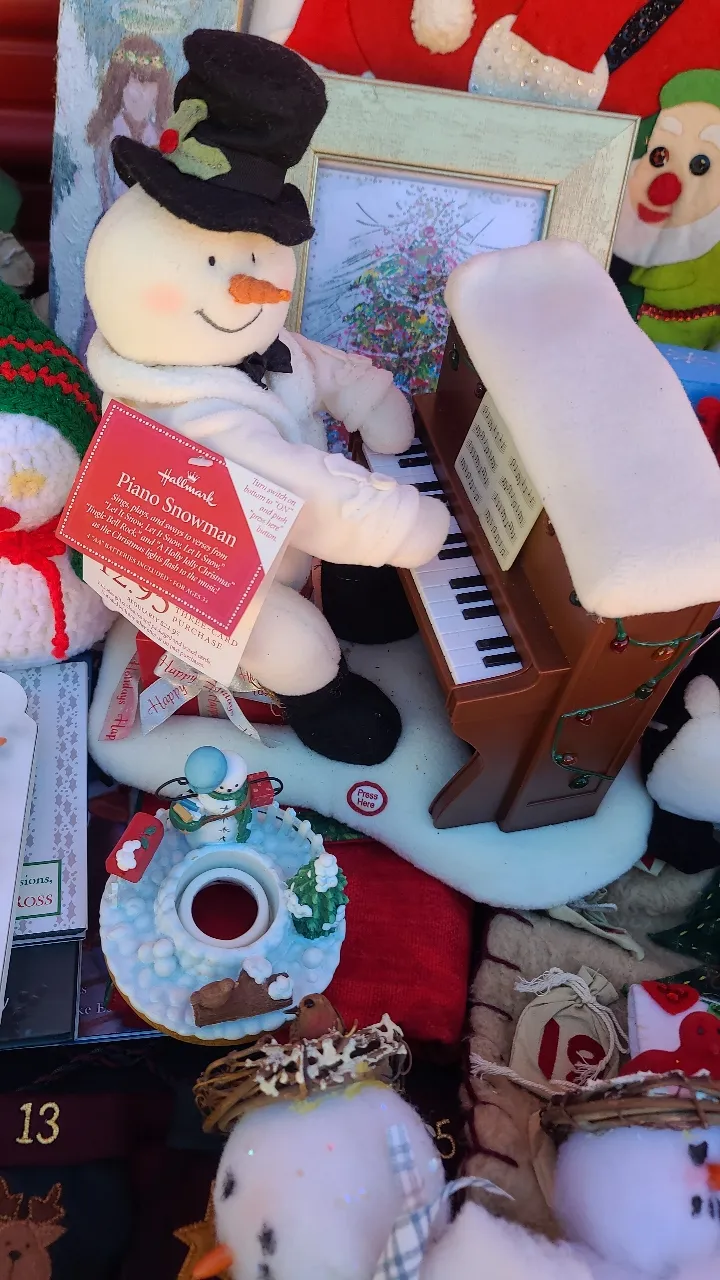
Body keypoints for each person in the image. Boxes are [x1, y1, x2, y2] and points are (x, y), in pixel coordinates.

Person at [87, 35, 174, 213]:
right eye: (136, 81)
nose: (143, 93)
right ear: (120, 86)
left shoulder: (162, 141)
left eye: (151, 83)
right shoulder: (103, 141)